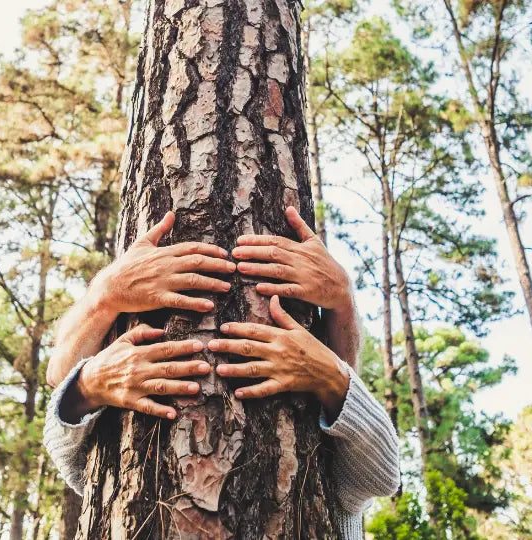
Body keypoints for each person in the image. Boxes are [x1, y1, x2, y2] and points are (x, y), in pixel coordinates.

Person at [43, 207, 400, 538]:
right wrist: (103, 299)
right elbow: (61, 385)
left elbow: (383, 473)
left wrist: (342, 310)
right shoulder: (109, 442)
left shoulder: (331, 454)